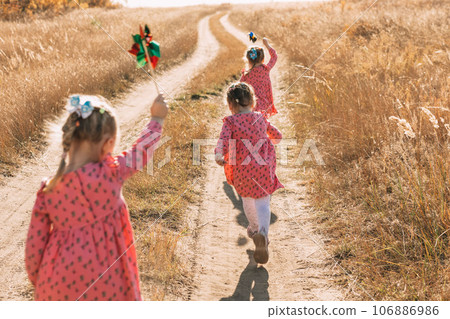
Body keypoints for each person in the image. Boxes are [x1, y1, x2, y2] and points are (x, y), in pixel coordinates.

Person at [25, 93, 168, 300]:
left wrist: (42, 282)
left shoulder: (48, 190)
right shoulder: (112, 172)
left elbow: (33, 250)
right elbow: (142, 151)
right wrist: (157, 119)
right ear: (108, 144)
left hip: (55, 282)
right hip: (108, 280)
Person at [215, 82, 283, 264]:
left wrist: (219, 154)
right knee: (263, 202)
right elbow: (278, 136)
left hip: (242, 169)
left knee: (247, 199)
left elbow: (223, 140)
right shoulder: (260, 118)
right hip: (263, 167)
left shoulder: (230, 121)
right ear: (253, 102)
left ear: (231, 105)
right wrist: (269, 139)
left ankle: (254, 229)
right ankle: (263, 234)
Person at [240, 37, 278, 118]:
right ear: (263, 59)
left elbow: (240, 86)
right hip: (264, 104)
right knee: (262, 124)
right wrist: (267, 45)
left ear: (248, 60)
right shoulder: (266, 69)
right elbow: (274, 57)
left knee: (252, 124)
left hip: (250, 104)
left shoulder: (246, 73)